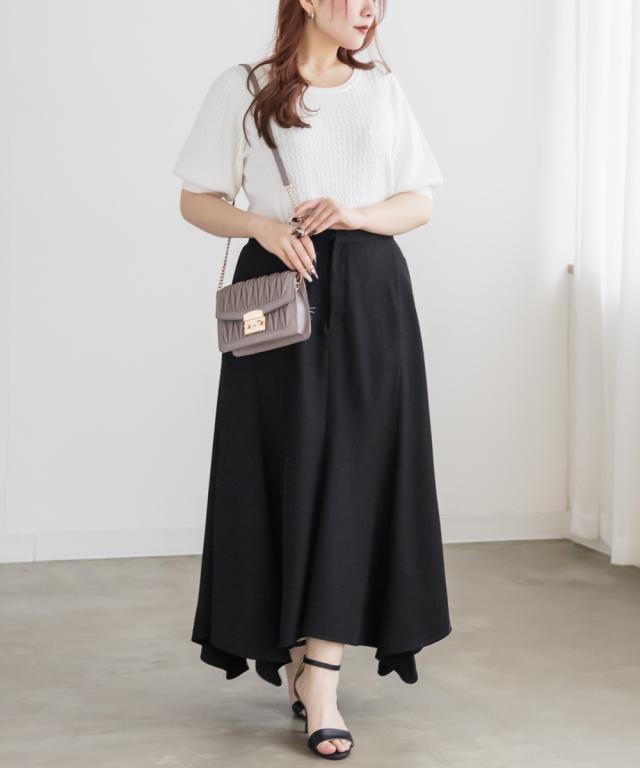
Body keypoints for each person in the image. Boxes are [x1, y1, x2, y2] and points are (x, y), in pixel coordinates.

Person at [173, 0, 452, 760]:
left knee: (355, 475)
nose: (369, 10)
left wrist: (356, 213)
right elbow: (196, 199)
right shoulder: (245, 87)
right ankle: (297, 658)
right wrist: (263, 226)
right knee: (282, 468)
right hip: (277, 293)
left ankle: (321, 679)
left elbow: (419, 201)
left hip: (371, 294)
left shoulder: (382, 89)